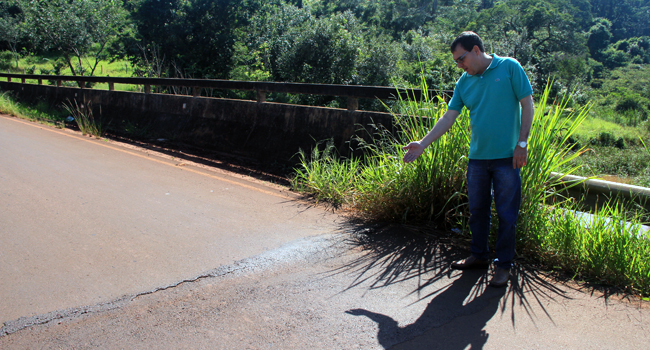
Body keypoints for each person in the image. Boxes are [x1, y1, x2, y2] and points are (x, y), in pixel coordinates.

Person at [402, 31, 534, 287]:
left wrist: (522, 144)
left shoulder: (509, 67)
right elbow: (448, 117)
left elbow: (527, 104)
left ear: (476, 50)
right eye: (456, 62)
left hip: (508, 157)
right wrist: (423, 143)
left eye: (461, 59)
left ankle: (504, 266)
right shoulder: (465, 82)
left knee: (507, 215)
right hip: (478, 159)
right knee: (477, 212)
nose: (460, 65)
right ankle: (479, 256)